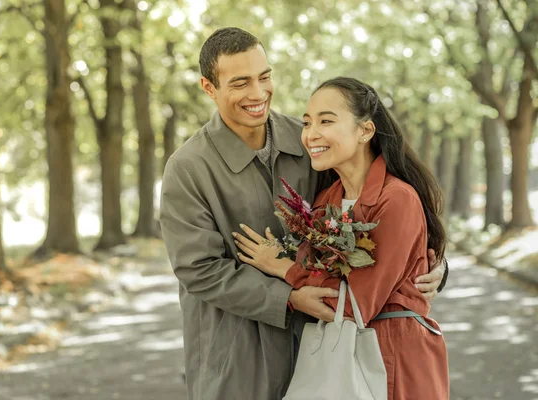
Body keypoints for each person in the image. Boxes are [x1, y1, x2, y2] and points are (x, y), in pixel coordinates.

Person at [160, 28, 447, 400]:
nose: (257, 93)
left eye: (264, 77)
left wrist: (431, 263)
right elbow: (198, 269)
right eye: (240, 82)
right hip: (239, 357)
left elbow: (375, 207)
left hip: (326, 349)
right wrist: (289, 298)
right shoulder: (188, 168)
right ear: (209, 87)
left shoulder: (310, 141)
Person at [234, 77, 449, 399]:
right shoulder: (325, 202)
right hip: (338, 356)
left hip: (395, 358)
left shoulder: (396, 199)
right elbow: (323, 282)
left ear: (365, 131)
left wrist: (281, 267)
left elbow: (353, 305)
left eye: (326, 121)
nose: (310, 134)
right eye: (307, 122)